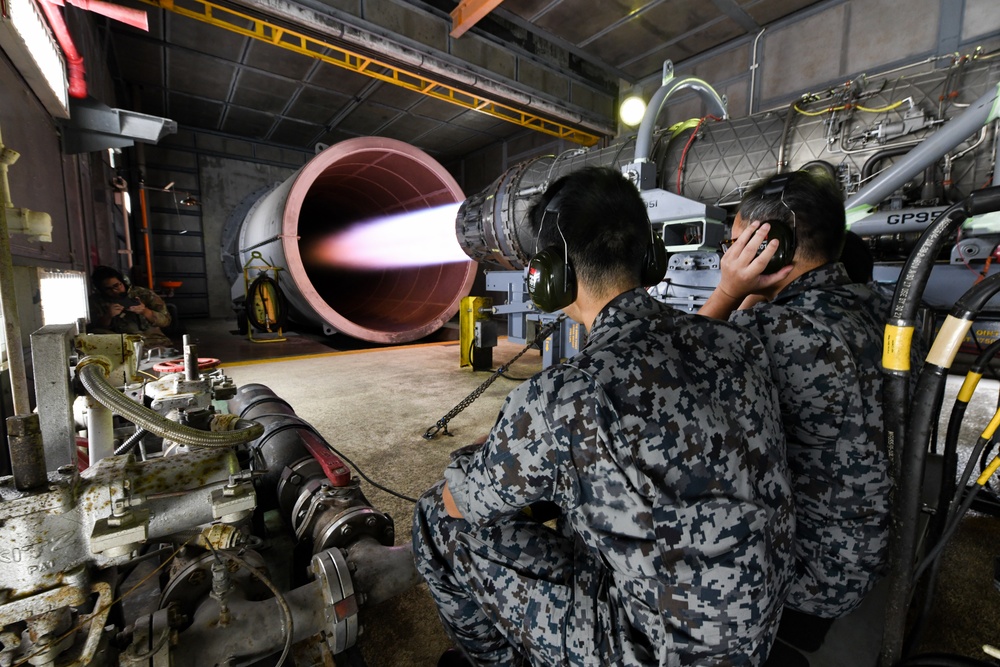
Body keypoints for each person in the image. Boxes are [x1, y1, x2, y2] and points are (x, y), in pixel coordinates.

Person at [412, 166, 794, 666]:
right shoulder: (738, 340)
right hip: (757, 627)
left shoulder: (564, 396)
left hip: (661, 652)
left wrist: (493, 450)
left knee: (435, 520)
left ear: (550, 276)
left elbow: (461, 503)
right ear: (650, 257)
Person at [699, 171, 891, 659]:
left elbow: (673, 373)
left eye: (737, 241)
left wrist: (728, 291)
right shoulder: (870, 305)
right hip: (862, 550)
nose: (729, 253)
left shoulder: (770, 329)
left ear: (772, 246)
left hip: (806, 577)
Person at [88, 265, 175, 351]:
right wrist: (108, 316)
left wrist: (145, 312)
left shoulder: (144, 294)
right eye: (108, 289)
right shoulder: (96, 301)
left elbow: (166, 321)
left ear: (123, 282)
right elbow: (95, 331)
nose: (114, 291)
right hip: (122, 346)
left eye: (117, 285)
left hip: (154, 343)